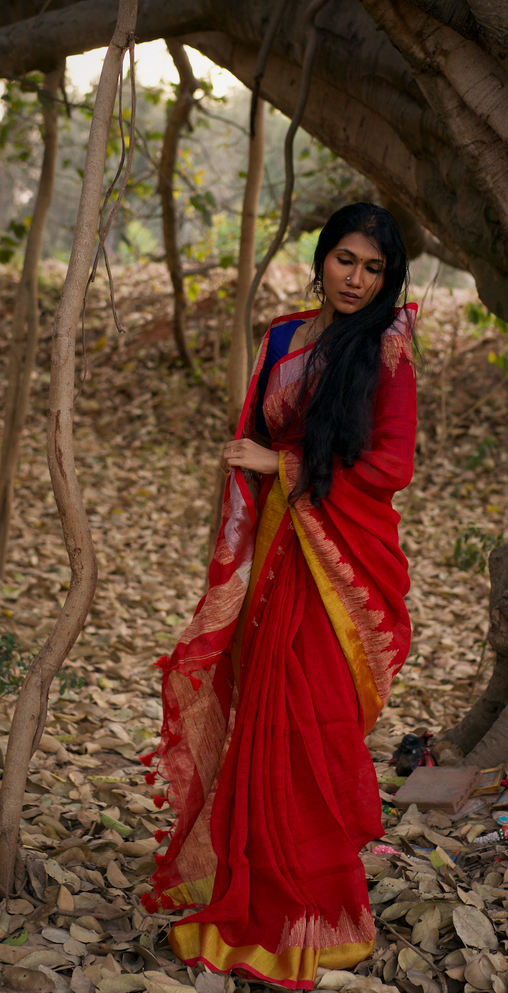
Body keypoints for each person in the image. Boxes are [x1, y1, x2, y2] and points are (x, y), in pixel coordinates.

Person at [140, 202, 417, 990]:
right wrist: (261, 478)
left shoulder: (387, 350)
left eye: (372, 268)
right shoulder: (284, 339)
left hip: (336, 562)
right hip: (272, 554)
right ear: (321, 258)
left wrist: (285, 468)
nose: (357, 279)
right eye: (345, 260)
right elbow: (250, 432)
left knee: (308, 724)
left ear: (386, 277)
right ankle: (256, 889)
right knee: (263, 716)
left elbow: (391, 464)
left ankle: (318, 913)